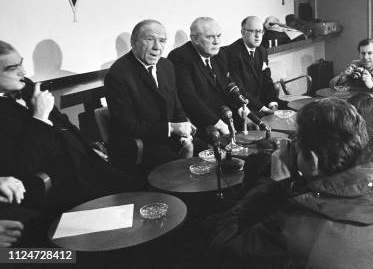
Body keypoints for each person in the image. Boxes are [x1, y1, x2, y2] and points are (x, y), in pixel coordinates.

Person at [203, 98, 373, 269]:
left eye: (298, 145)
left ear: (312, 161)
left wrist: (273, 183)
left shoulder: (296, 229)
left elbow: (222, 246)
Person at [1, 40, 142, 211]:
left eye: (21, 63)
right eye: (12, 68)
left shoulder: (27, 86)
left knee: (141, 190)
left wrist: (87, 148)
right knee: (126, 208)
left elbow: (64, 125)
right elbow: (23, 168)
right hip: (59, 183)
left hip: (84, 163)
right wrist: (39, 118)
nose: (22, 72)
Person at [105, 20, 198, 171]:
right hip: (141, 145)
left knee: (206, 149)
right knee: (174, 166)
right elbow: (128, 127)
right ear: (133, 42)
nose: (157, 47)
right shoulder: (118, 74)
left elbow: (177, 106)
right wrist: (172, 129)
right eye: (149, 39)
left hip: (170, 138)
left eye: (162, 41)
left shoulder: (166, 65)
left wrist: (184, 136)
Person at [168, 17, 246, 137]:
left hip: (224, 114)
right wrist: (219, 124)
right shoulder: (179, 57)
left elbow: (227, 86)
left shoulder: (219, 54)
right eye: (210, 37)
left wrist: (241, 108)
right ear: (195, 39)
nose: (216, 41)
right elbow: (189, 99)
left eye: (218, 36)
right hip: (199, 122)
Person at [225, 16, 280, 115]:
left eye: (260, 31)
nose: (257, 35)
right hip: (243, 106)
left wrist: (272, 104)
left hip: (261, 101)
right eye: (252, 31)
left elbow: (266, 80)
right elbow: (239, 90)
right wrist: (264, 109)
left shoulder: (262, 51)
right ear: (243, 33)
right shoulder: (231, 53)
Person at [329, 38, 373, 106]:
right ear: (359, 54)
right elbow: (331, 84)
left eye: (370, 53)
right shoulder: (356, 64)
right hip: (355, 107)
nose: (365, 57)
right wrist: (344, 77)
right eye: (363, 53)